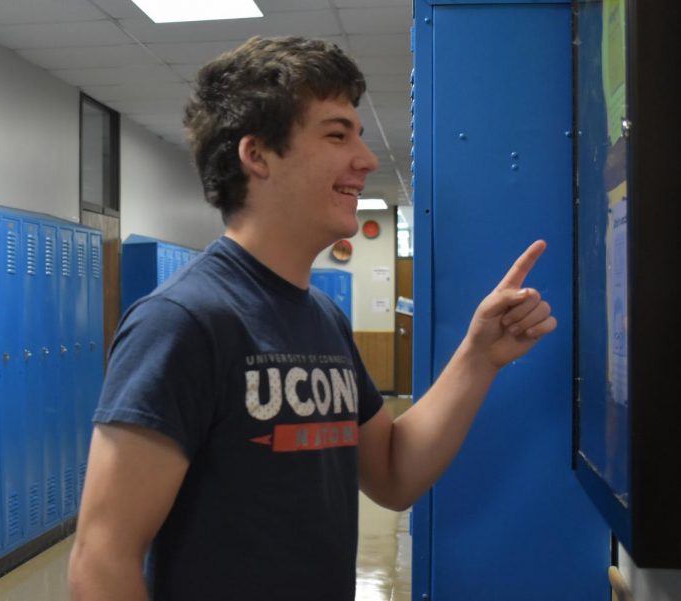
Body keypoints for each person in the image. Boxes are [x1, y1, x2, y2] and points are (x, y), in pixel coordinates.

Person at [67, 36, 556, 601]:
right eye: (336, 135)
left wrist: (478, 356)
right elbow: (102, 558)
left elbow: (394, 475)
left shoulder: (323, 317)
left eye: (360, 136)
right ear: (258, 156)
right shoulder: (184, 321)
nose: (366, 160)